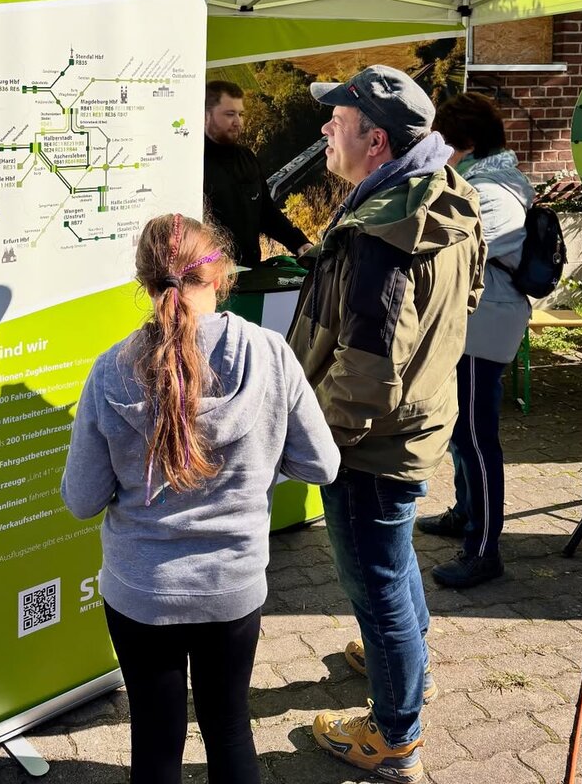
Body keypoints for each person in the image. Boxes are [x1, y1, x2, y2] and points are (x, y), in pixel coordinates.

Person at [61, 213, 339, 784]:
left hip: (142, 591)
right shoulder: (271, 354)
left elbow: (83, 499)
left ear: (144, 283)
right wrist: (261, 463)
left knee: (154, 739)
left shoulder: (111, 371)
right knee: (231, 729)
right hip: (232, 585)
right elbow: (322, 464)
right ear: (222, 275)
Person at [286, 66, 485, 782]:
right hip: (417, 421)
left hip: (369, 445)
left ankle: (395, 738)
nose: (324, 130)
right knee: (393, 565)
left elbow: (368, 372)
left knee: (376, 585)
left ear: (375, 141)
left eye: (336, 122)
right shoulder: (444, 193)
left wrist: (322, 447)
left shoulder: (384, 232)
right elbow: (461, 301)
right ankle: (406, 664)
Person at [419, 93, 534, 589]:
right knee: (463, 432)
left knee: (476, 437)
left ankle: (484, 550)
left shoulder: (492, 192)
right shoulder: (491, 180)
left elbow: (451, 251)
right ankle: (466, 513)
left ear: (464, 142)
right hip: (480, 320)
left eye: (443, 142)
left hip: (485, 325)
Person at [203, 80, 312, 268]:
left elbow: (265, 212)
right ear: (206, 116)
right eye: (229, 114)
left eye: (240, 114)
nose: (237, 122)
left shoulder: (247, 157)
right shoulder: (194, 166)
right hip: (212, 277)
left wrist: (299, 243)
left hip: (251, 272)